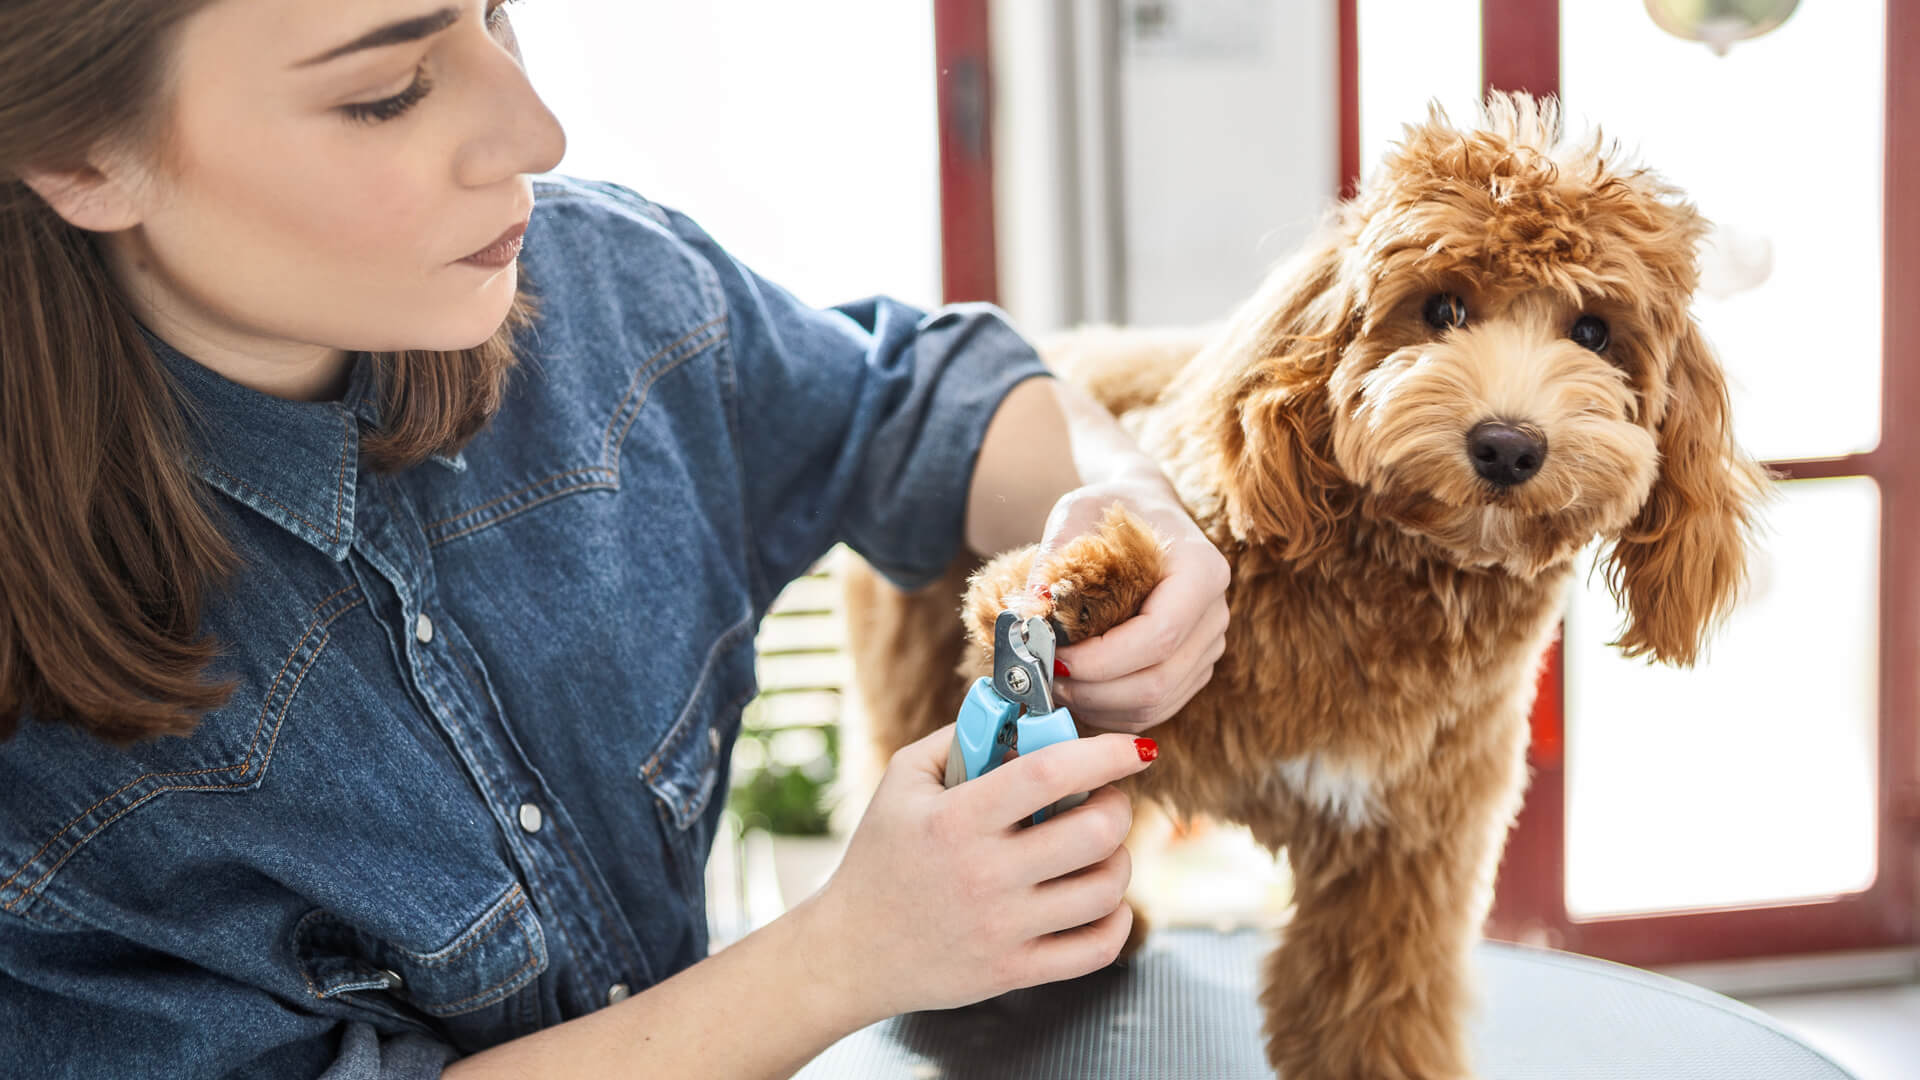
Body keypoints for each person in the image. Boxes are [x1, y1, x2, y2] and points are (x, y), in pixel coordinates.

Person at [0, 2, 1231, 1077]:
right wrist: (845, 957)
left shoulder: (608, 286)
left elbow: (909, 397)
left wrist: (1130, 503)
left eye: (494, 12)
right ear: (82, 151)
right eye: (388, 92)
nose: (538, 134)